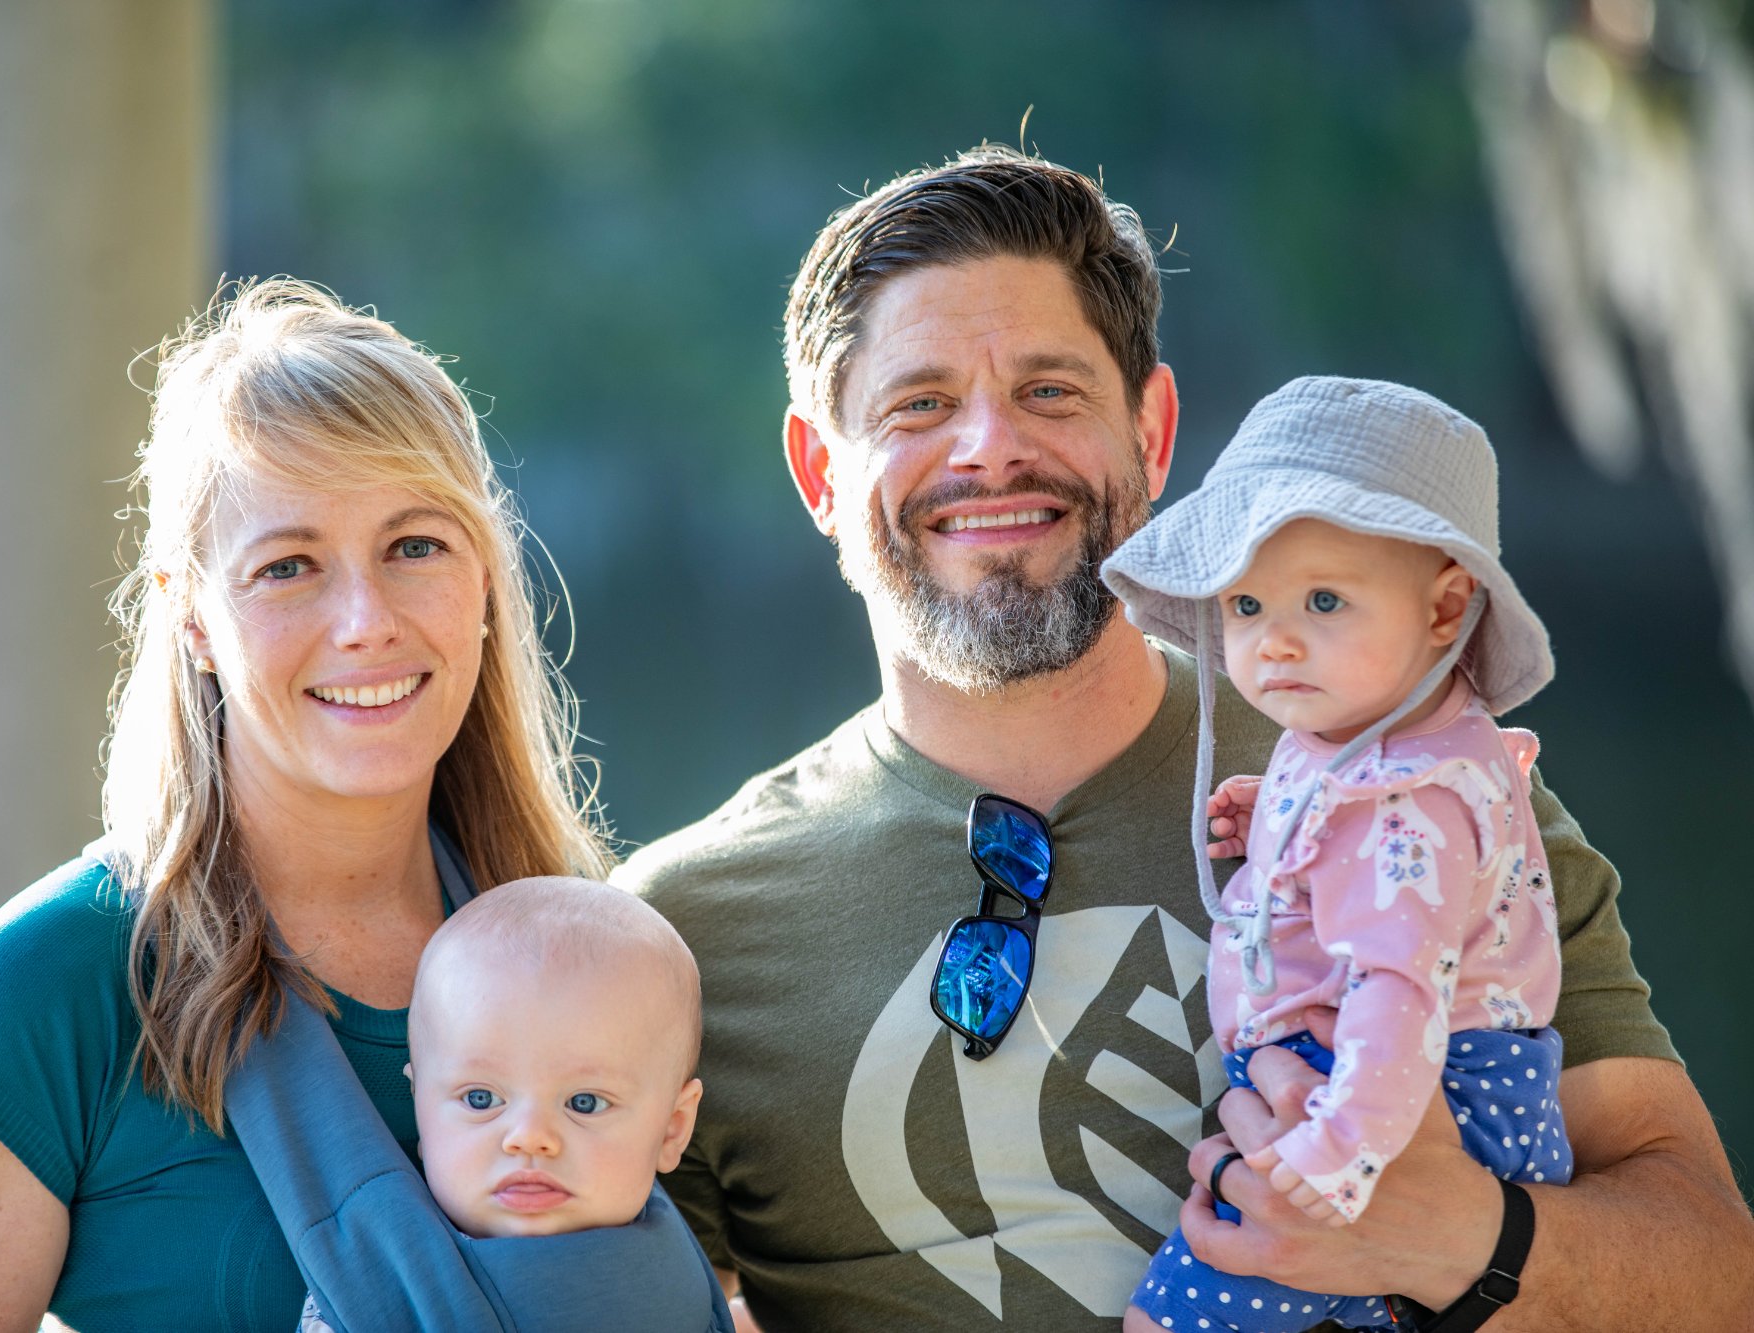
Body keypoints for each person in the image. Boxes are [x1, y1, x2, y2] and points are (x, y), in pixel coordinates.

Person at [615, 147, 1754, 1331]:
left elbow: (1721, 1281)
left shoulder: (1424, 788)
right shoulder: (678, 936)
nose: (989, 448)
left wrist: (1467, 1239)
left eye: (1049, 391)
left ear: (1152, 432)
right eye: (920, 403)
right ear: (817, 470)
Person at [0, 280, 613, 1329]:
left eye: (413, 546)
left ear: (483, 576)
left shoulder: (594, 956)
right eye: (288, 566)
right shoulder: (47, 990)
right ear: (193, 618)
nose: (364, 620)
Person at [1102, 378, 1573, 1332]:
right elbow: (1400, 878)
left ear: (1445, 610)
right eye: (1245, 603)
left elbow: (1399, 980)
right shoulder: (1383, 734)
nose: (1275, 642)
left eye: (1324, 600)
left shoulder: (1396, 808)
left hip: (1395, 1091)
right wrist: (1286, 829)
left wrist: (1341, 1154)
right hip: (1430, 1082)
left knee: (1170, 1317)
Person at [294, 875, 708, 1331]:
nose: (529, 1137)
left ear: (672, 1129)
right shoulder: (373, 1292)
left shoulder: (686, 1289)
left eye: (585, 1102)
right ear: (420, 1108)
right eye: (481, 1099)